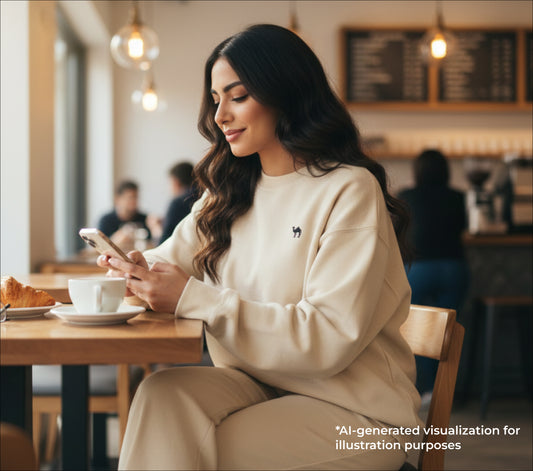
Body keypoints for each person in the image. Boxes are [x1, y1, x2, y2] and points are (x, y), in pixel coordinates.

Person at [99, 24, 421, 470]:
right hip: (259, 384)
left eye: (238, 96)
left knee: (185, 448)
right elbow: (168, 258)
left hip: (358, 412)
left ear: (284, 93)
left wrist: (192, 298)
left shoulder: (348, 189)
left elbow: (328, 338)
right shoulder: (229, 193)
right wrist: (134, 269)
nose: (220, 116)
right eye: (215, 100)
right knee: (161, 395)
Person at [398, 149, 469, 395]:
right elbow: (466, 227)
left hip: (419, 269)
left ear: (416, 172)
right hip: (453, 268)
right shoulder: (459, 197)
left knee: (419, 331)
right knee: (449, 332)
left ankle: (424, 389)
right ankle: (449, 392)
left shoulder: (406, 196)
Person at [149, 162, 198, 244]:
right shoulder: (206, 197)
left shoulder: (178, 203)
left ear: (175, 182)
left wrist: (155, 229)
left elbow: (163, 244)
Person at [97, 180, 151, 250]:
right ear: (117, 199)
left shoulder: (146, 219)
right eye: (130, 197)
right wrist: (115, 240)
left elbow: (153, 244)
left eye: (136, 197)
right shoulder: (106, 220)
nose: (134, 201)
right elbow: (99, 247)